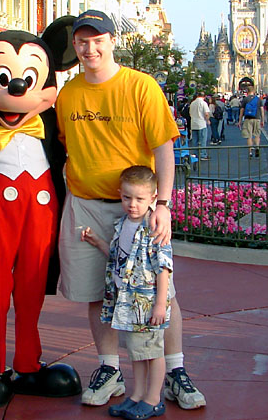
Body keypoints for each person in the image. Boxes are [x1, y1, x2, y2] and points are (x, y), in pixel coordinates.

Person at [55, 9, 206, 411]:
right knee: (94, 292)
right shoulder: (68, 94)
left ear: (112, 41)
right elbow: (66, 145)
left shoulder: (141, 87)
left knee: (162, 291)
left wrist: (163, 204)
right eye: (83, 41)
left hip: (138, 210)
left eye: (98, 40)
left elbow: (163, 149)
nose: (90, 48)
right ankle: (109, 368)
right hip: (86, 205)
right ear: (75, 45)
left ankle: (174, 369)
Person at [81, 166, 171, 419]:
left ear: (153, 198)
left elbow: (163, 267)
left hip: (147, 303)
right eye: (127, 198)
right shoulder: (122, 224)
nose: (132, 204)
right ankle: (137, 395)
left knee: (152, 352)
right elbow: (119, 257)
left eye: (140, 199)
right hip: (128, 304)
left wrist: (160, 305)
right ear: (120, 194)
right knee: (137, 352)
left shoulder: (153, 226)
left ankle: (153, 399)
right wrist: (97, 241)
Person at [238, 84, 264, 158]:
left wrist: (240, 120)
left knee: (249, 136)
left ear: (247, 91)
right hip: (257, 118)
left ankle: (250, 152)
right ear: (254, 91)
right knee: (257, 134)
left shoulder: (245, 99)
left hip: (248, 119)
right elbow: (262, 110)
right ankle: (257, 147)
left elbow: (242, 110)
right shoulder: (258, 99)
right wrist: (262, 120)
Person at [189, 92, 210, 159]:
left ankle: (195, 154)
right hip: (201, 123)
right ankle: (202, 154)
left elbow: (190, 113)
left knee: (194, 140)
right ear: (204, 96)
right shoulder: (203, 103)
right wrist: (208, 120)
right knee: (202, 140)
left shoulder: (192, 103)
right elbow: (206, 113)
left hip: (193, 123)